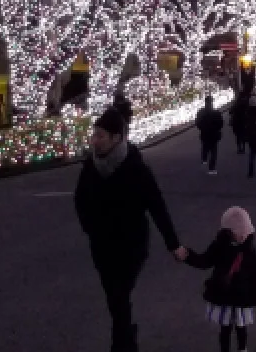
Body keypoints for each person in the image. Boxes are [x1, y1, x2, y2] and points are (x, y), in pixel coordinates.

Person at [74, 106, 186, 352]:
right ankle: (127, 335)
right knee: (114, 298)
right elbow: (80, 200)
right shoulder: (90, 167)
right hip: (101, 246)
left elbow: (157, 207)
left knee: (119, 294)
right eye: (95, 134)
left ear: (117, 138)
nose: (95, 140)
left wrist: (174, 244)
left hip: (131, 246)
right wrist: (90, 227)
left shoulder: (136, 169)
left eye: (101, 135)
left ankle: (122, 345)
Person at [184, 207, 256, 352]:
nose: (243, 236)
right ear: (229, 232)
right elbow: (204, 261)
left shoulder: (235, 248)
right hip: (236, 295)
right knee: (230, 327)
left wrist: (188, 256)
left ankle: (241, 348)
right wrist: (188, 256)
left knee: (236, 327)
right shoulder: (246, 249)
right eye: (240, 233)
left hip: (229, 295)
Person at [196, 96, 224, 175]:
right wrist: (216, 129)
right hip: (214, 134)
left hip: (205, 134)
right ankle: (211, 168)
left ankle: (204, 159)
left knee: (205, 146)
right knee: (214, 151)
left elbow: (198, 123)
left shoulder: (201, 112)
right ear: (212, 102)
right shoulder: (216, 112)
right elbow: (221, 124)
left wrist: (202, 128)